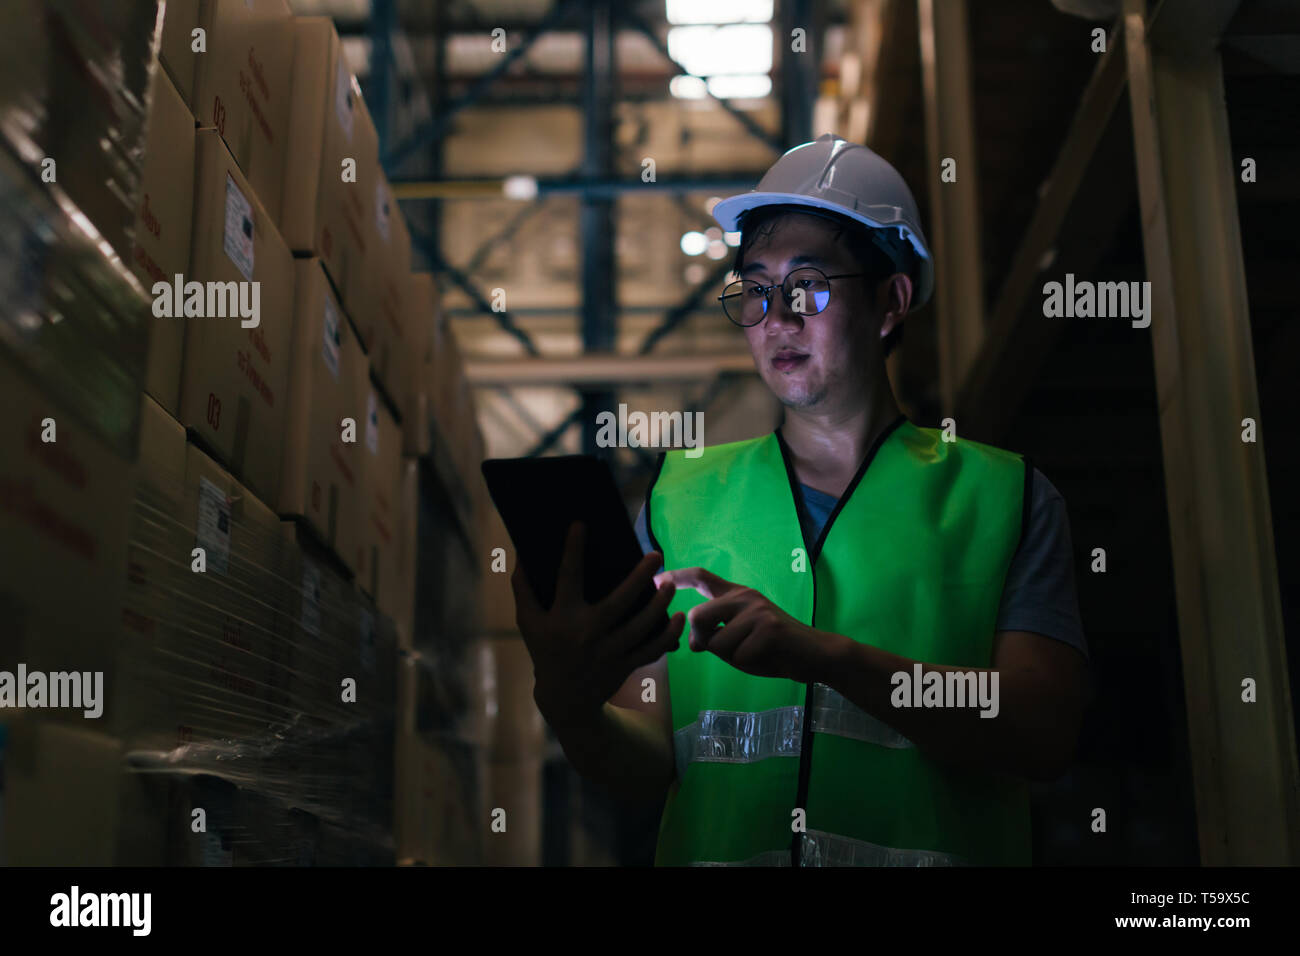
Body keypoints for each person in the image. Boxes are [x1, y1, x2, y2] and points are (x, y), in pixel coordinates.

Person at [511, 134, 1090, 866]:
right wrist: (565, 702)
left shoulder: (1005, 498)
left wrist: (822, 656)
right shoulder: (677, 499)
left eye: (808, 285)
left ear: (891, 301)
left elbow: (1041, 731)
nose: (777, 318)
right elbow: (647, 758)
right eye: (754, 291)